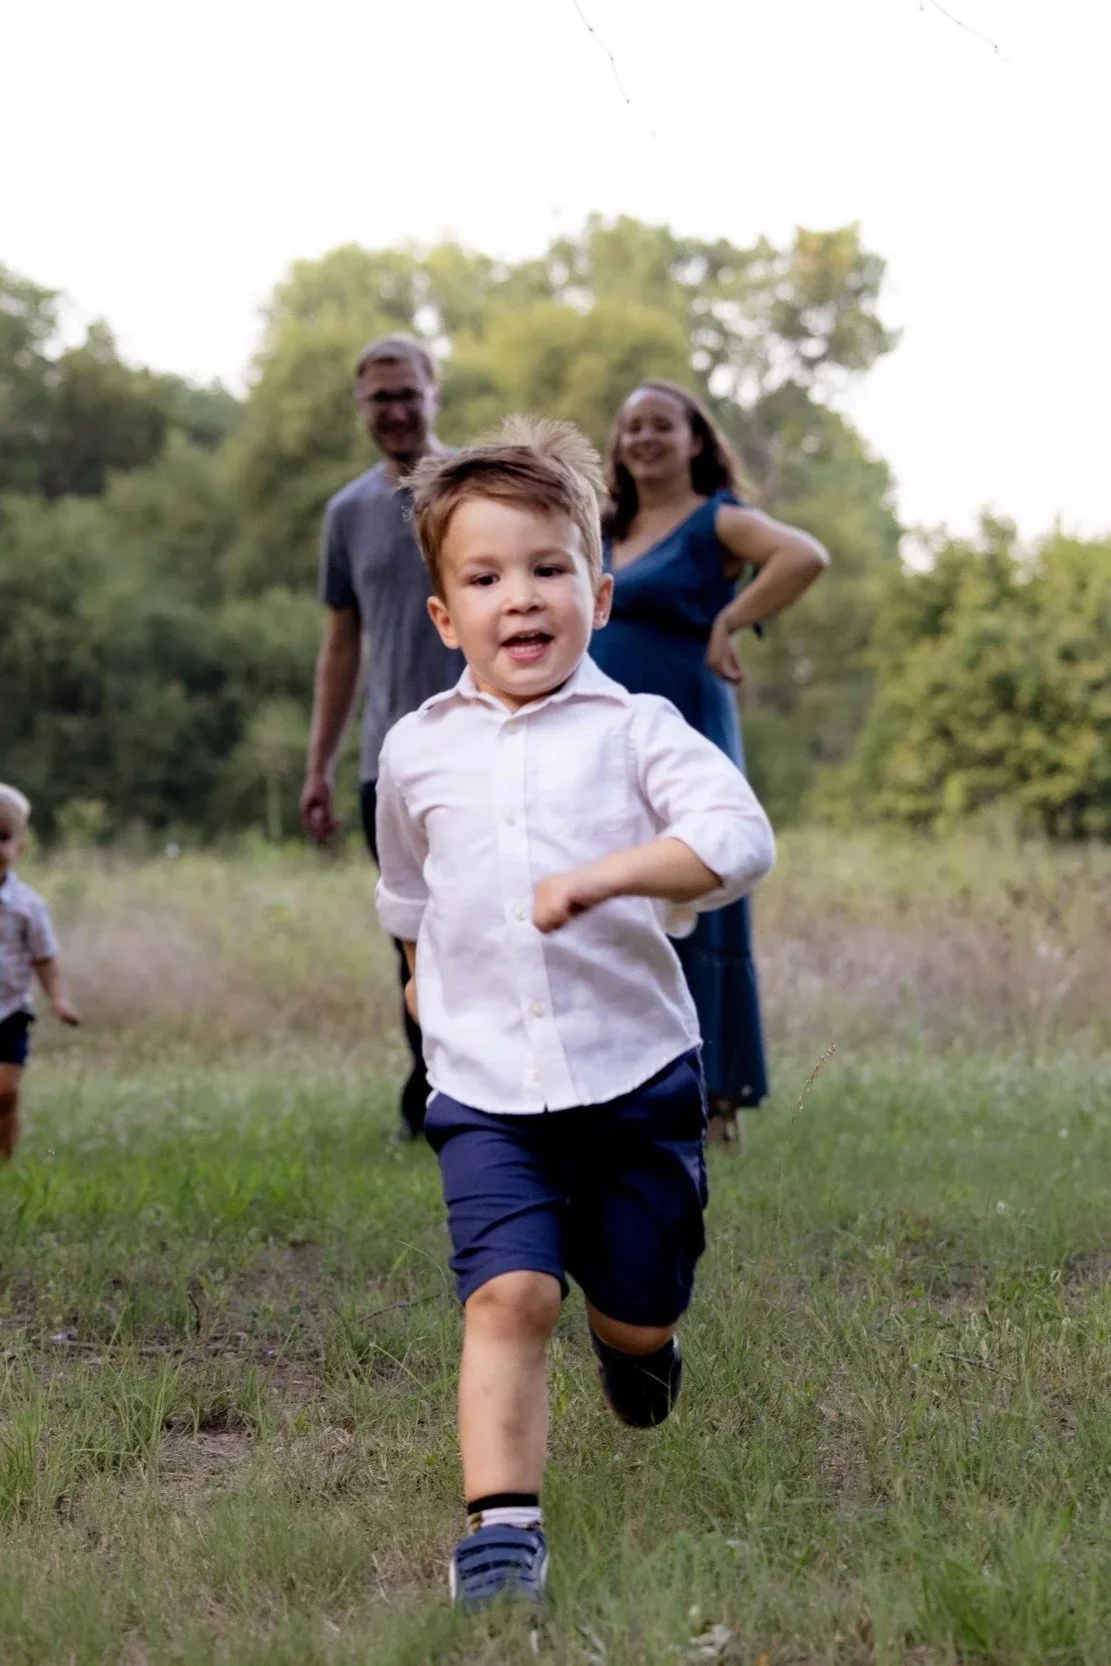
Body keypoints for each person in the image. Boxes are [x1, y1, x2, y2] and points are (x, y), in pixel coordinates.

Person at [374, 418, 775, 1609]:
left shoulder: (639, 730)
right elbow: (407, 885)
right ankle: (501, 1531)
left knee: (637, 1307)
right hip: (485, 1083)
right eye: (485, 576)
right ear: (445, 616)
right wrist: (414, 971)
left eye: (548, 568)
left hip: (635, 1071)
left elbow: (736, 837)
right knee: (510, 1293)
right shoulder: (414, 751)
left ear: (597, 591)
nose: (521, 597)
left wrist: (613, 874)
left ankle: (635, 1342)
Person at [592, 381, 828, 1144]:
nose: (643, 438)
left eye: (661, 424)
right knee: (620, 888)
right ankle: (622, 1080)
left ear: (695, 439)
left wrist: (733, 616)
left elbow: (803, 555)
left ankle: (714, 1096)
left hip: (687, 724)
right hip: (604, 737)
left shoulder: (715, 520)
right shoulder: (601, 529)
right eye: (631, 427)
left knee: (699, 878)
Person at [300, 334, 462, 1140]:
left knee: (498, 920)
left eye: (409, 392)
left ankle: (508, 1093)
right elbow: (341, 645)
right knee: (413, 933)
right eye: (379, 398)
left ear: (435, 392)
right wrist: (319, 766)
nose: (396, 410)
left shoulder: (481, 486)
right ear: (361, 408)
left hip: (488, 744)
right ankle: (435, 1094)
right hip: (389, 762)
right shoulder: (348, 513)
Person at [0, 785, 80, 1160]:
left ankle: (5, 1159)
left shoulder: (28, 906)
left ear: (20, 847)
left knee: (7, 1092)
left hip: (11, 1011)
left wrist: (59, 999)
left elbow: (45, 959)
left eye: (2, 838)